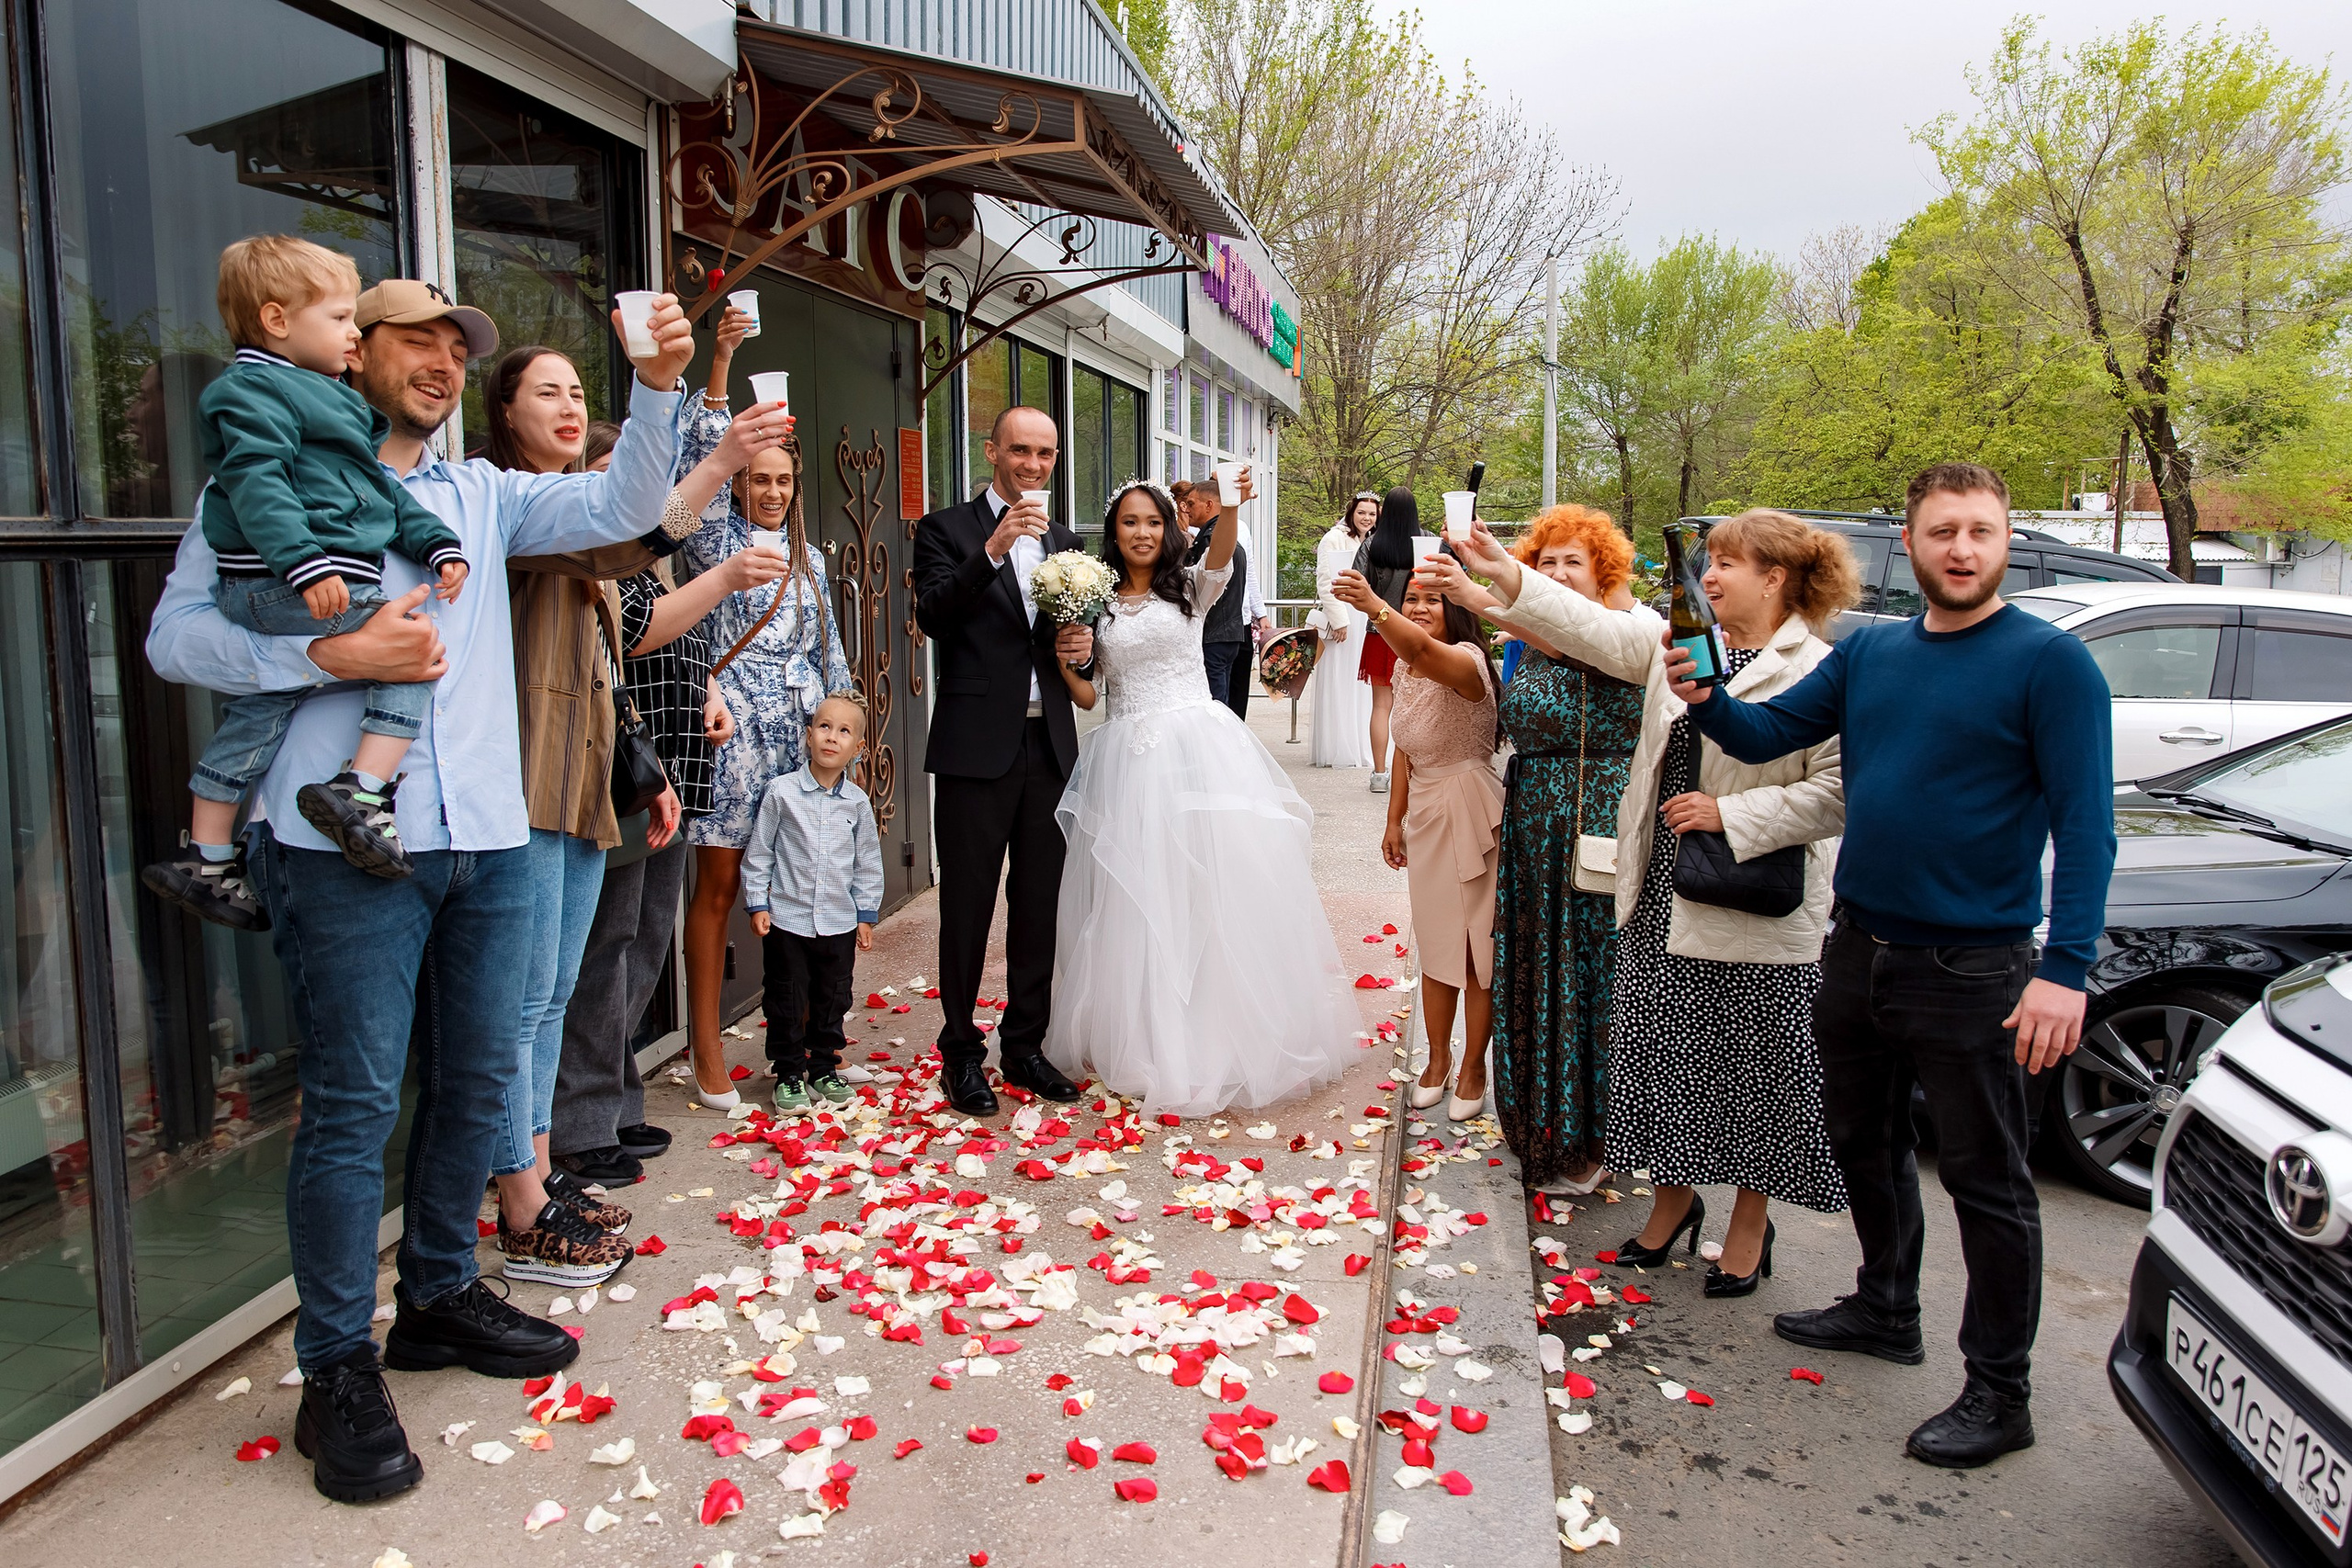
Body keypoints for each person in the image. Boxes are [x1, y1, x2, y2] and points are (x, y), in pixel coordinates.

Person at [144, 278, 735, 1504]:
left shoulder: (478, 490)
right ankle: (335, 1365)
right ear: (354, 351)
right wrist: (326, 652)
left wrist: (662, 384)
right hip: (342, 854)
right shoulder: (272, 480)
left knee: (479, 1078)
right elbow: (175, 638)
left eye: (454, 348)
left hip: (494, 840)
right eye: (414, 341)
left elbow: (628, 507)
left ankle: (438, 1294)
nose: (439, 363)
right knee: (354, 1108)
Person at [1666, 464, 2116, 1469]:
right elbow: (1766, 731)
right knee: (1861, 1142)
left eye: (1982, 531)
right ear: (1907, 546)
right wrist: (1702, 691)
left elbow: (2089, 829)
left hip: (1976, 967)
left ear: (2002, 542)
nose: (1962, 548)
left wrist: (2068, 969)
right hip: (1859, 948)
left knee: (1987, 1183)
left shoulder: (2050, 666)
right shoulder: (1872, 657)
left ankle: (2000, 1393)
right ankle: (1885, 1305)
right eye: (1943, 531)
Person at [1435, 508, 1855, 1298]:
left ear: (1776, 578)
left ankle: (1749, 1227)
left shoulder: (1818, 667)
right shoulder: (1682, 647)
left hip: (1751, 893)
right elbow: (1589, 627)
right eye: (1712, 562)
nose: (1710, 575)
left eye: (1727, 563)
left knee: (1752, 1067)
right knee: (1665, 1057)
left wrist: (1731, 814)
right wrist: (1500, 570)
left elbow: (1837, 790)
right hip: (1661, 880)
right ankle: (1671, 1206)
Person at [487, 344, 781, 1276]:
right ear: (503, 412)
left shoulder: (575, 509)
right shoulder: (515, 506)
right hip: (527, 775)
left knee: (549, 997)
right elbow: (645, 537)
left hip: (591, 770)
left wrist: (646, 762)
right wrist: (722, 456)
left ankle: (537, 1177)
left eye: (581, 390)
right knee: (530, 999)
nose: (571, 405)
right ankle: (523, 1193)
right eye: (548, 391)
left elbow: (632, 622)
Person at [143, 237, 469, 926]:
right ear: (277, 321)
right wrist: (307, 564)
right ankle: (363, 788)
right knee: (413, 651)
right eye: (342, 319)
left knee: (260, 707)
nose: (352, 334)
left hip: (287, 586)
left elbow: (381, 496)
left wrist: (439, 544)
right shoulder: (254, 390)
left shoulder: (325, 403)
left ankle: (206, 852)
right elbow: (257, 482)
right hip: (283, 583)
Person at [1042, 474, 1360, 1114]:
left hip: (1196, 751)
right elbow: (1088, 692)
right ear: (1115, 532)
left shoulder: (1190, 587)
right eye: (1130, 522)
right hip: (1125, 764)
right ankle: (1149, 1040)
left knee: (1205, 891)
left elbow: (1221, 552)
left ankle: (1215, 1035)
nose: (1141, 532)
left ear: (1169, 528)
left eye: (1153, 522)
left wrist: (1236, 503)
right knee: (1137, 899)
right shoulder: (1094, 601)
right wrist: (1062, 656)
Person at [547, 414, 765, 1184]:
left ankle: (618, 1101)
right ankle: (579, 1124)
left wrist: (706, 684)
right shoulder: (597, 555)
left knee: (643, 945)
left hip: (670, 765)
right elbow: (638, 636)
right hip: (618, 774)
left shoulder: (651, 560)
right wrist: (725, 578)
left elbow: (681, 640)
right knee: (604, 951)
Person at [1427, 506, 1650, 1192]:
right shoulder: (1538, 630)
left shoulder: (1627, 628)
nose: (1555, 572)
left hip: (1592, 821)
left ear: (1605, 571)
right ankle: (1540, 1128)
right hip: (1534, 821)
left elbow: (1575, 637)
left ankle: (1592, 1137)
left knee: (1585, 974)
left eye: (1571, 561)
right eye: (1545, 560)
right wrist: (1482, 597)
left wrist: (1487, 593)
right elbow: (1545, 632)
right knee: (1532, 964)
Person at [674, 345, 852, 1110]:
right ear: (739, 483)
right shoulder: (713, 540)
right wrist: (719, 362)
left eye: (783, 479)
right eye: (759, 479)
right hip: (733, 731)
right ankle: (705, 1041)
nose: (772, 491)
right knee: (719, 885)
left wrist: (844, 735)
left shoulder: (810, 559)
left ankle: (804, 1044)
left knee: (800, 888)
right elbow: (696, 467)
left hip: (799, 735)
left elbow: (833, 656)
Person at [911, 405, 1093, 1116]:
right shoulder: (946, 530)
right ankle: (960, 1053)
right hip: (972, 747)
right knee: (966, 905)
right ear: (991, 451)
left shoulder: (1068, 542)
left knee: (1039, 903)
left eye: (1046, 453)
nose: (1034, 464)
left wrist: (1081, 644)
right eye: (1021, 450)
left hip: (1046, 744)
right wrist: (991, 549)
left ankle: (1024, 1044)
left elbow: (1078, 643)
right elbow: (932, 614)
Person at [1335, 557, 1502, 1122]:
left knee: (1477, 950)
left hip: (1470, 802)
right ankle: (1437, 1061)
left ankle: (1474, 1067)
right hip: (1427, 808)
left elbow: (1431, 654)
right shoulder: (1406, 665)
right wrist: (1393, 818)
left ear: (1455, 605)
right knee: (1435, 943)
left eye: (1431, 599)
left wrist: (1375, 608)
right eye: (1411, 600)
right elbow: (1403, 745)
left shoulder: (1468, 660)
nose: (1419, 609)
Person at [742, 693, 883, 1113]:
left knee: (832, 996)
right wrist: (757, 902)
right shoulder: (781, 793)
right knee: (785, 997)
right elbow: (761, 852)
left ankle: (823, 1067)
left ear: (857, 748)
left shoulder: (857, 803)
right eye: (824, 727)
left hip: (838, 922)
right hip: (788, 919)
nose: (831, 737)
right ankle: (787, 1074)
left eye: (844, 732)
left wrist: (865, 914)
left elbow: (867, 864)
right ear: (808, 736)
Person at [1352, 486, 1421, 793]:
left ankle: (1380, 775)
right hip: (1417, 634)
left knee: (1381, 706)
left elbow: (1356, 586)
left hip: (1380, 632)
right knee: (1418, 705)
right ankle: (1413, 771)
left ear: (1385, 511)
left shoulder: (1372, 544)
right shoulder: (1426, 542)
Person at [1172, 478, 1257, 711]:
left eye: (1191, 503)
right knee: (1224, 702)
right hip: (1230, 632)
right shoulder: (1228, 541)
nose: (1186, 509)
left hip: (1213, 634)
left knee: (1214, 707)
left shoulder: (1211, 542)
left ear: (1209, 505)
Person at [1309, 493, 1377, 768]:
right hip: (1343, 615)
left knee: (1360, 685)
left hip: (1364, 617)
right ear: (1352, 513)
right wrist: (1339, 620)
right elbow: (1326, 581)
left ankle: (1361, 741)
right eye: (1362, 513)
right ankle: (1339, 745)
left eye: (1371, 514)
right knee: (1341, 679)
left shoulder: (1372, 540)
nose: (1366, 518)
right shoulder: (1334, 537)